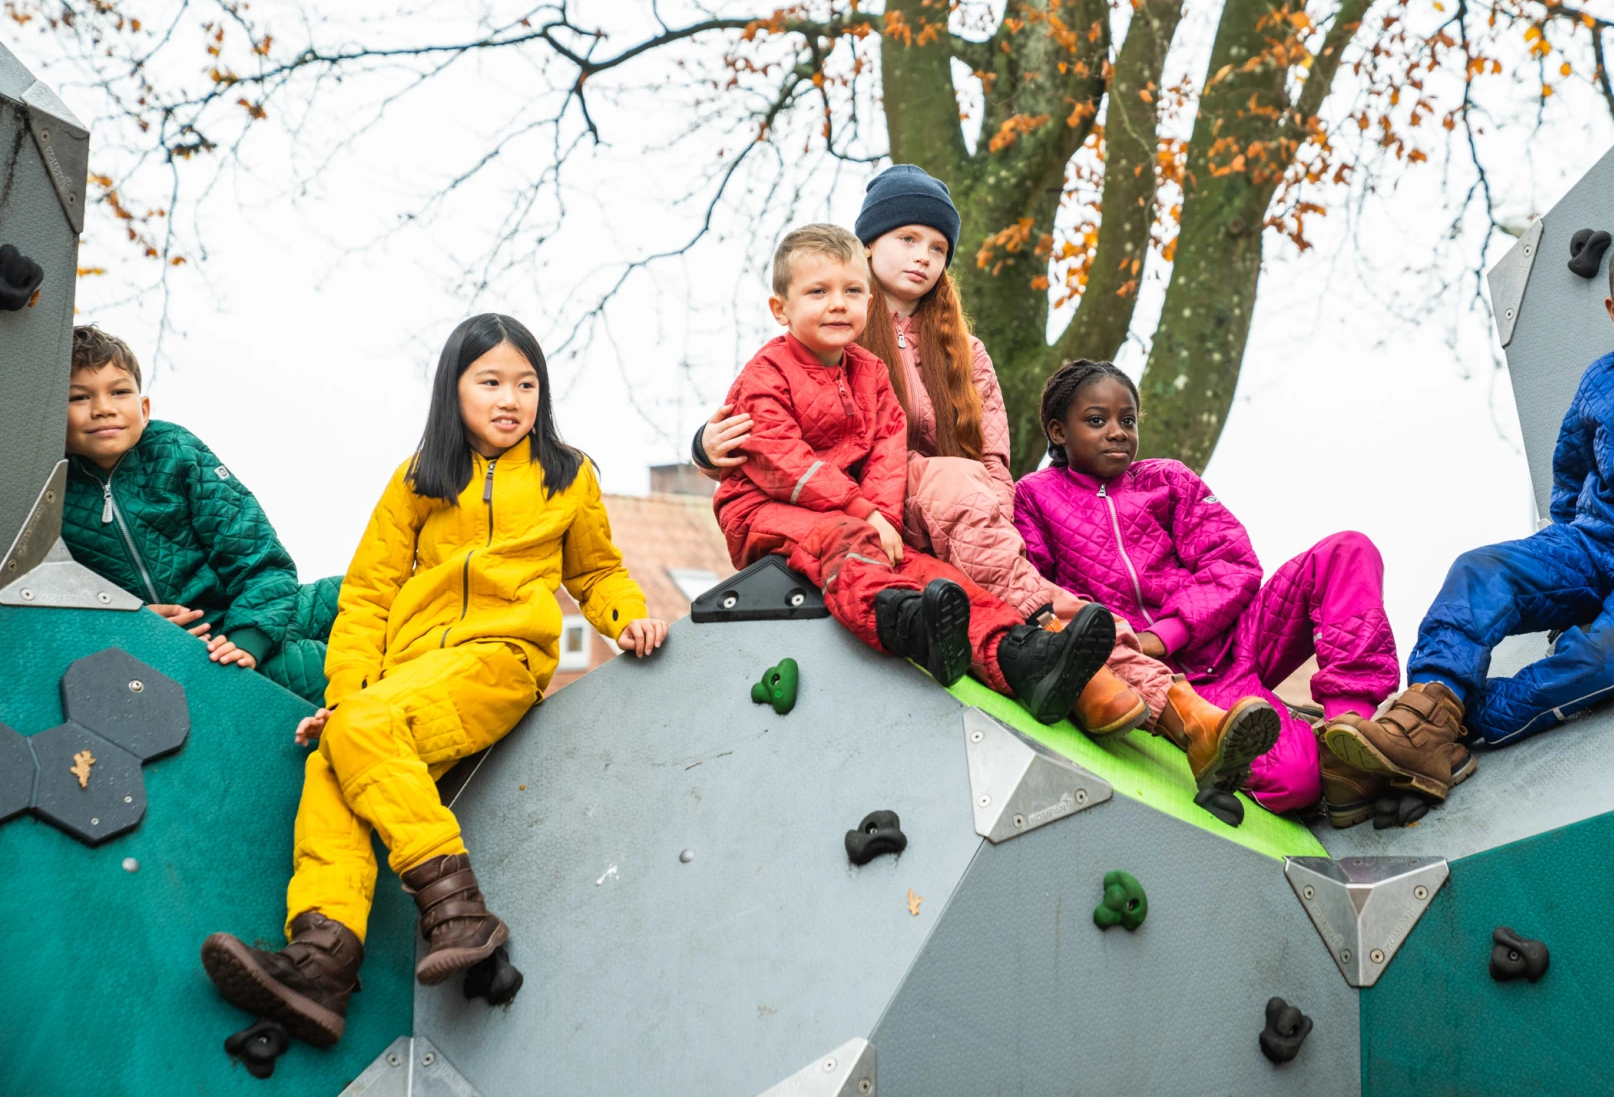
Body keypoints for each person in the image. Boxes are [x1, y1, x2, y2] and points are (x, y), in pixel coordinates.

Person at [696, 170, 1276, 792]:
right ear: (868, 245)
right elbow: (764, 425)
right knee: (958, 497)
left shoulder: (965, 353)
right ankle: (1128, 686)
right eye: (908, 239)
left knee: (968, 500)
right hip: (857, 510)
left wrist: (978, 520)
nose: (923, 257)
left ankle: (1176, 711)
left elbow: (993, 462)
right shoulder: (831, 320)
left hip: (944, 516)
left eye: (938, 248)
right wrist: (705, 446)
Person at [200, 313, 669, 1049]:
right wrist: (348, 695)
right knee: (336, 756)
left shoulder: (566, 476)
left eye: (526, 383)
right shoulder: (420, 478)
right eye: (490, 382)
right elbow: (367, 598)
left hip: (500, 660)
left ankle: (456, 909)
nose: (510, 398)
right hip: (411, 670)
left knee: (355, 737)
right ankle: (323, 961)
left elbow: (596, 570)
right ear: (453, 392)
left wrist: (628, 617)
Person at [1324, 229, 1614, 805]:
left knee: (1600, 658)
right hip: (1589, 545)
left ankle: (1454, 728)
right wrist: (1563, 540)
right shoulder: (1599, 378)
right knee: (1480, 569)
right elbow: (1570, 466)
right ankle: (1431, 699)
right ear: (1611, 309)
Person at [711, 222, 1116, 723]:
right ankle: (901, 620)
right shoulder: (766, 374)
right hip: (766, 512)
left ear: (869, 302)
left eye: (853, 292)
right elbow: (782, 459)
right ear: (781, 309)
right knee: (846, 540)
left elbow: (887, 449)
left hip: (857, 515)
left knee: (938, 576)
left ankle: (1023, 659)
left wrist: (882, 518)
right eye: (819, 292)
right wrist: (862, 512)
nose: (838, 303)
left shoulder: (869, 371)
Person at [1014, 359, 1402, 820]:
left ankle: (1347, 730)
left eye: (1128, 420)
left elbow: (1233, 563)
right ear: (1058, 432)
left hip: (1237, 637)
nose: (1117, 431)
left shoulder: (1167, 479)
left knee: (1347, 550)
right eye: (1097, 420)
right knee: (1298, 782)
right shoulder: (1034, 497)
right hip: (1178, 683)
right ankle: (1295, 746)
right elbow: (1037, 589)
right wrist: (1134, 648)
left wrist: (1170, 631)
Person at [63, 325, 339, 704]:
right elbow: (57, 608)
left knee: (360, 592)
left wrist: (250, 636)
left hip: (256, 615)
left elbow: (258, 555)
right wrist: (132, 623)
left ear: (144, 408)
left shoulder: (174, 451)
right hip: (202, 653)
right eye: (79, 397)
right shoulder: (50, 492)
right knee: (339, 673)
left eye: (119, 391)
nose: (103, 407)